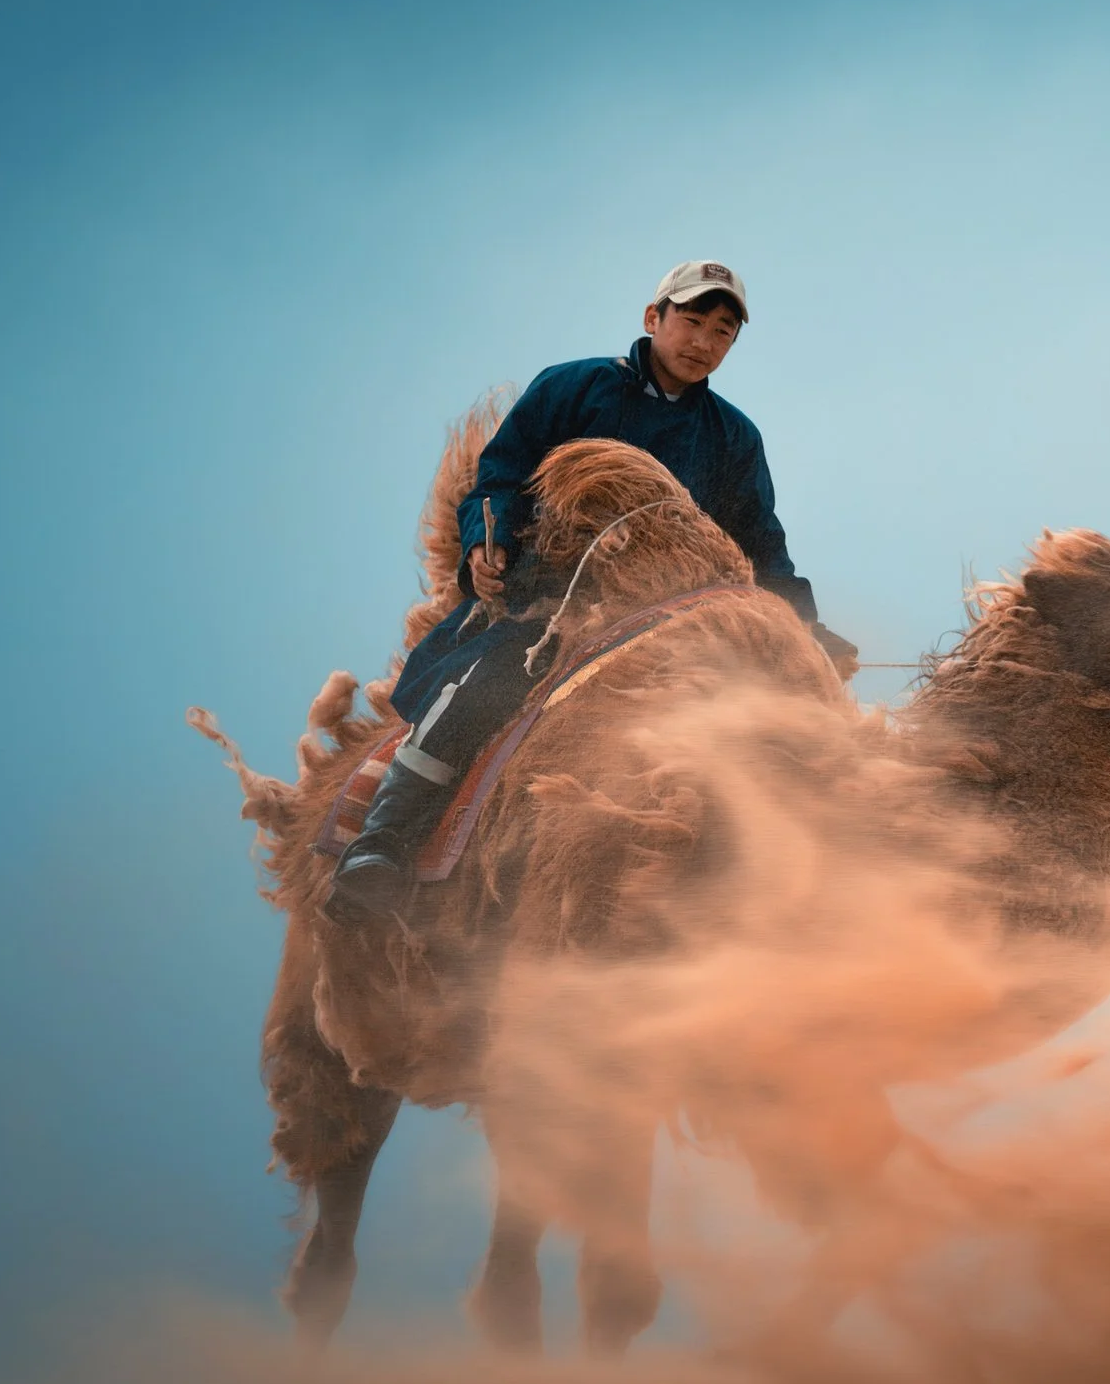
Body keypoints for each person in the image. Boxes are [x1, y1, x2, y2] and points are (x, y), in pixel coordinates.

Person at [327, 260, 854, 923]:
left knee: (778, 717)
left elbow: (762, 545)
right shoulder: (573, 389)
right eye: (691, 320)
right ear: (652, 318)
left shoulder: (734, 437)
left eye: (722, 332)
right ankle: (380, 847)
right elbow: (500, 476)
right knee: (491, 680)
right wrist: (485, 544)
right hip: (553, 601)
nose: (703, 342)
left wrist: (799, 628)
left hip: (679, 621)